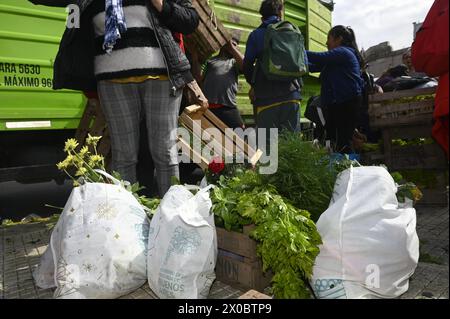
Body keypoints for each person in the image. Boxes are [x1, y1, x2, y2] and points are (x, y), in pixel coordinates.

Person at [30, 0, 205, 197]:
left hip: (162, 79)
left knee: (164, 151)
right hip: (112, 82)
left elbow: (190, 20)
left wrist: (160, 4)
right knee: (123, 156)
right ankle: (128, 217)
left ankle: (172, 214)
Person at [243, 0, 302, 134]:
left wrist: (253, 85)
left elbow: (247, 66)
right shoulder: (293, 33)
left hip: (266, 98)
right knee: (292, 145)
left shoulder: (256, 35)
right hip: (292, 96)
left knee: (268, 148)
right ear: (280, 13)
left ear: (262, 17)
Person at [306, 25, 365, 154]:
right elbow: (312, 66)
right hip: (340, 104)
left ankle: (351, 168)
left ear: (339, 39)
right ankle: (343, 167)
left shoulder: (343, 52)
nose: (326, 42)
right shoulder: (336, 59)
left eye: (329, 38)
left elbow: (319, 58)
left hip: (347, 103)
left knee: (343, 142)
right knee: (336, 140)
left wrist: (295, 50)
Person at [191, 38, 245, 129]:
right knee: (210, 136)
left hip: (227, 107)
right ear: (223, 45)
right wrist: (195, 57)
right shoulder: (210, 61)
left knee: (241, 133)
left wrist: (231, 47)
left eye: (235, 46)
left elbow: (245, 65)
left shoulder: (234, 62)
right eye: (232, 44)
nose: (233, 47)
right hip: (209, 107)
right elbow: (198, 77)